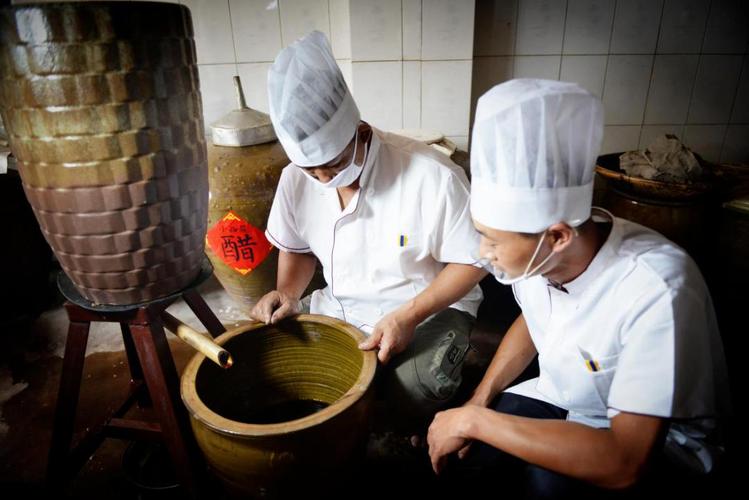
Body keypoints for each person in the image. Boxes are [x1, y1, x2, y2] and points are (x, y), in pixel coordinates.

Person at [426, 79, 731, 498]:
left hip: (654, 445)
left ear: (558, 236)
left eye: (493, 239)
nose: (483, 252)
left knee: (546, 486)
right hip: (561, 397)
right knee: (472, 462)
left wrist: (473, 421)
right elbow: (537, 320)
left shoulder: (657, 289)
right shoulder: (541, 259)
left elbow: (624, 462)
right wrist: (479, 400)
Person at [250, 31, 487, 427]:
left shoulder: (432, 175)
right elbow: (297, 246)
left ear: (361, 131)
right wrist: (288, 293)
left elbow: (474, 261)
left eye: (336, 163)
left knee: (416, 386)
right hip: (341, 307)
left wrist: (408, 316)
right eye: (314, 171)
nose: (326, 179)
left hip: (427, 309)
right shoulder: (295, 179)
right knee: (271, 368)